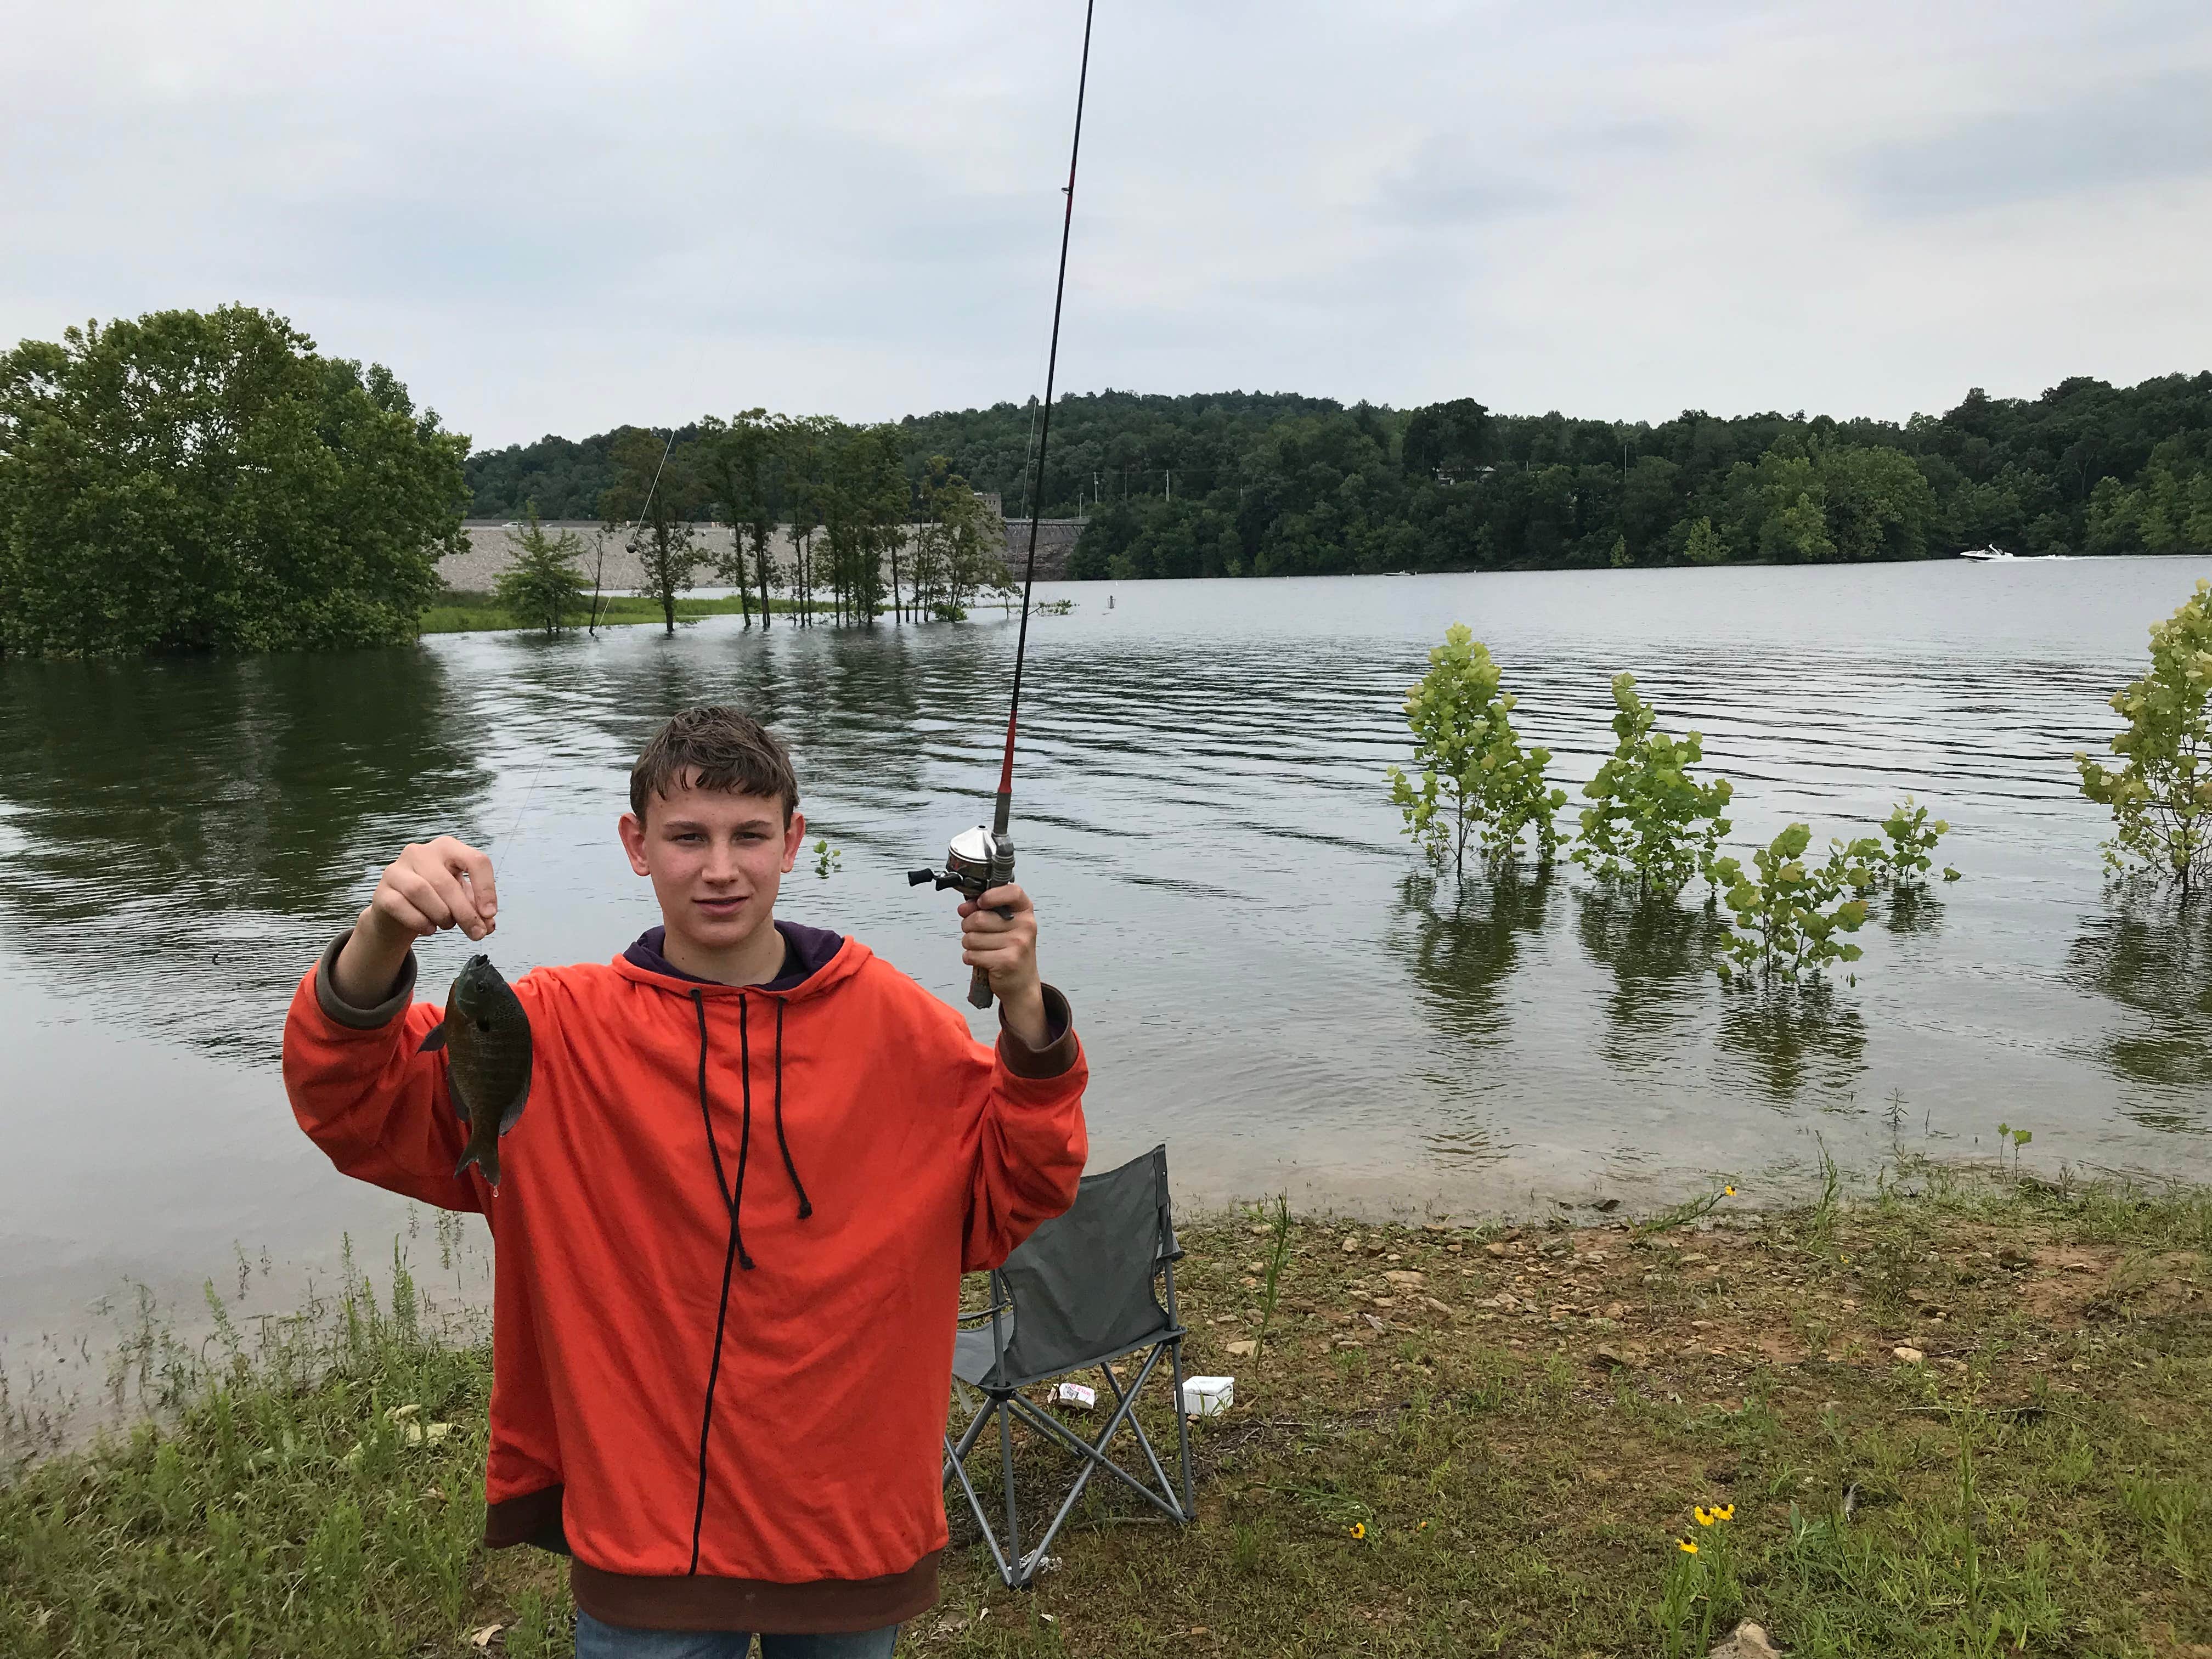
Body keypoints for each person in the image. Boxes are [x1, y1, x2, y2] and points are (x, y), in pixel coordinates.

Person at [283, 706, 1088, 1658]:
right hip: (646, 1548)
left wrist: (1030, 1020)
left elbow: (1015, 1195)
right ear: (637, 846)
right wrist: (379, 936)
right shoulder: (548, 1031)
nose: (720, 868)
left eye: (750, 835)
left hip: (847, 1535)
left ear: (793, 842)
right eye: (688, 837)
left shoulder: (903, 1030)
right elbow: (357, 1106)